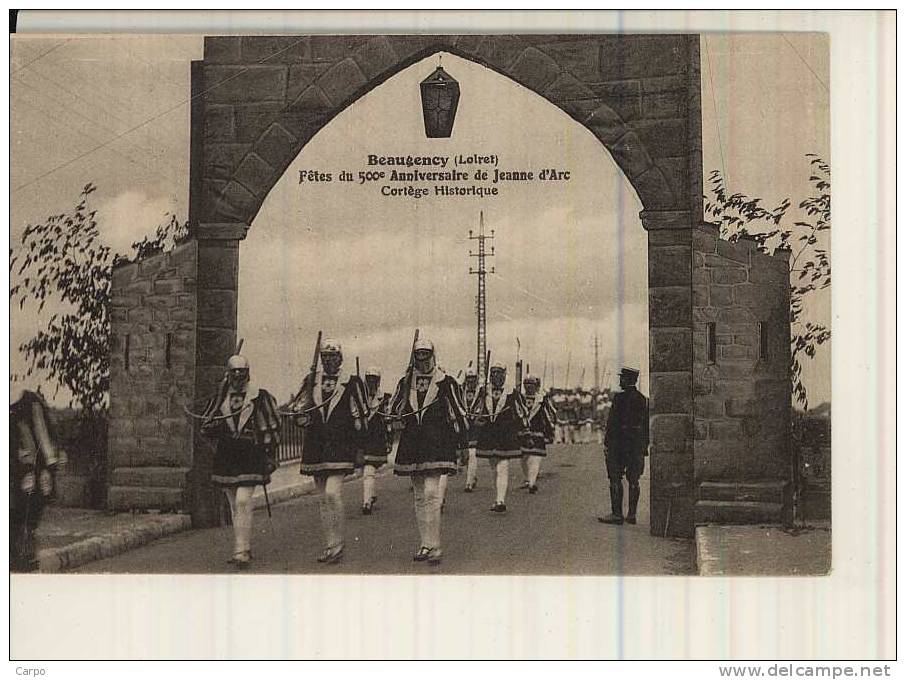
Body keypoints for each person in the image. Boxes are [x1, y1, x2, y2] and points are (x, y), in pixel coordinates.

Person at [389, 338, 467, 565]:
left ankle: (435, 544)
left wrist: (463, 445)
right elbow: (394, 411)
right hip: (413, 445)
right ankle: (425, 544)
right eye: (418, 357)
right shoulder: (405, 382)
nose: (422, 362)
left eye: (426, 356)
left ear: (433, 356)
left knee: (432, 493)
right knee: (420, 495)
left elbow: (458, 414)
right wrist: (399, 410)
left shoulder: (446, 382)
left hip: (437, 444)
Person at [201, 354, 281, 569]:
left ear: (248, 372)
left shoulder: (259, 396)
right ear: (228, 373)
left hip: (250, 456)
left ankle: (242, 550)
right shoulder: (221, 398)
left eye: (241, 371)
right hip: (227, 457)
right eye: (234, 371)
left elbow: (273, 425)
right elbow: (207, 425)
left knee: (243, 501)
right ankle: (241, 547)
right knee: (233, 504)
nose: (238, 375)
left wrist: (268, 453)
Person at [294, 339, 367, 563]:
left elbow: (360, 415)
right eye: (325, 357)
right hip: (317, 446)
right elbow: (299, 407)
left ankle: (337, 543)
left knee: (332, 494)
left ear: (340, 359)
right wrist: (301, 416)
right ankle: (331, 544)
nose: (329, 361)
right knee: (323, 498)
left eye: (333, 357)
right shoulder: (312, 381)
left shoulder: (351, 382)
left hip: (341, 445)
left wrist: (360, 448)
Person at [10, 386, 63, 573]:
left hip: (29, 470)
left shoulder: (30, 404)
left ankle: (23, 556)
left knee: (26, 513)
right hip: (23, 470)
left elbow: (41, 436)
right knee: (20, 514)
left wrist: (45, 466)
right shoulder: (27, 406)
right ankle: (21, 556)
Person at [598, 366, 649, 525]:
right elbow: (646, 425)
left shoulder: (619, 399)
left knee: (615, 478)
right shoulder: (643, 400)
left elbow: (612, 424)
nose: (620, 381)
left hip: (617, 446)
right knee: (634, 480)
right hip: (635, 447)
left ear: (627, 380)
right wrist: (643, 445)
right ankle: (632, 514)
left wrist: (607, 444)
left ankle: (617, 514)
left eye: (622, 378)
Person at [474, 362, 526, 513]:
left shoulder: (512, 393)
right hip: (489, 434)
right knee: (494, 467)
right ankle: (497, 497)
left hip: (506, 434)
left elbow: (521, 412)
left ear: (504, 374)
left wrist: (522, 428)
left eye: (499, 373)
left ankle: (500, 500)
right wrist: (478, 418)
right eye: (494, 373)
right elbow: (477, 409)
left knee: (502, 466)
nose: (496, 376)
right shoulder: (484, 391)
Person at [360, 366, 392, 515]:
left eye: (374, 380)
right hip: (363, 439)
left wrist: (389, 440)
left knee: (369, 470)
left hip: (377, 439)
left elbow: (388, 421)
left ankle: (367, 501)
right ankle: (370, 496)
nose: (371, 383)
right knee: (367, 471)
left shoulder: (384, 399)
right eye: (369, 380)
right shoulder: (360, 398)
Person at [518, 374, 556, 494]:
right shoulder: (519, 398)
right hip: (523, 433)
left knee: (535, 458)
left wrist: (550, 429)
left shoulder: (542, 399)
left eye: (532, 384)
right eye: (527, 384)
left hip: (538, 432)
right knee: (524, 458)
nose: (529, 386)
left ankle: (532, 482)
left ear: (536, 386)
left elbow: (550, 413)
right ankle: (528, 479)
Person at [459, 367, 481, 492]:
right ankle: (472, 476)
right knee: (465, 455)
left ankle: (469, 482)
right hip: (464, 425)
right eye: (469, 379)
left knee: (472, 454)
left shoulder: (481, 391)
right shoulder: (461, 390)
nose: (471, 381)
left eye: (473, 379)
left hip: (476, 426)